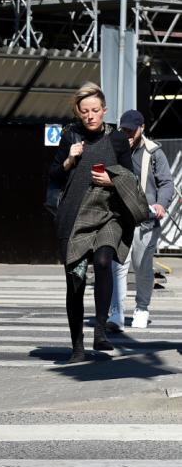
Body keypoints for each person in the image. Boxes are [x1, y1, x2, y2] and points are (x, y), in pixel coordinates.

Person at [49, 83, 148, 363]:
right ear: (78, 113)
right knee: (76, 282)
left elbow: (130, 177)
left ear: (104, 110)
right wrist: (70, 159)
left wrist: (112, 180)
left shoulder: (117, 139)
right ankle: (77, 347)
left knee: (104, 261)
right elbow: (54, 176)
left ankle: (101, 329)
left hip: (108, 214)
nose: (90, 116)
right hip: (75, 217)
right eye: (85, 111)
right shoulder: (70, 136)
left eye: (95, 110)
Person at [107, 110, 174, 330]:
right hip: (120, 218)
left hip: (146, 221)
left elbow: (166, 183)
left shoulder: (154, 152)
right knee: (118, 266)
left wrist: (161, 204)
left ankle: (142, 308)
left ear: (142, 128)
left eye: (131, 130)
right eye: (123, 129)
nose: (126, 133)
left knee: (143, 267)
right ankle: (116, 312)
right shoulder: (114, 148)